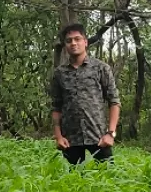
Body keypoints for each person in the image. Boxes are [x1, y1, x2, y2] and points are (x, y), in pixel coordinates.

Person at [50, 22, 120, 164]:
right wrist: (58, 136)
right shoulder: (59, 73)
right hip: (70, 140)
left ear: (85, 42)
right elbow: (56, 107)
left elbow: (114, 101)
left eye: (77, 39)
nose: (73, 43)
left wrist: (111, 133)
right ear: (65, 45)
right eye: (69, 41)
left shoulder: (101, 68)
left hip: (98, 136)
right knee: (73, 183)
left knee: (109, 179)